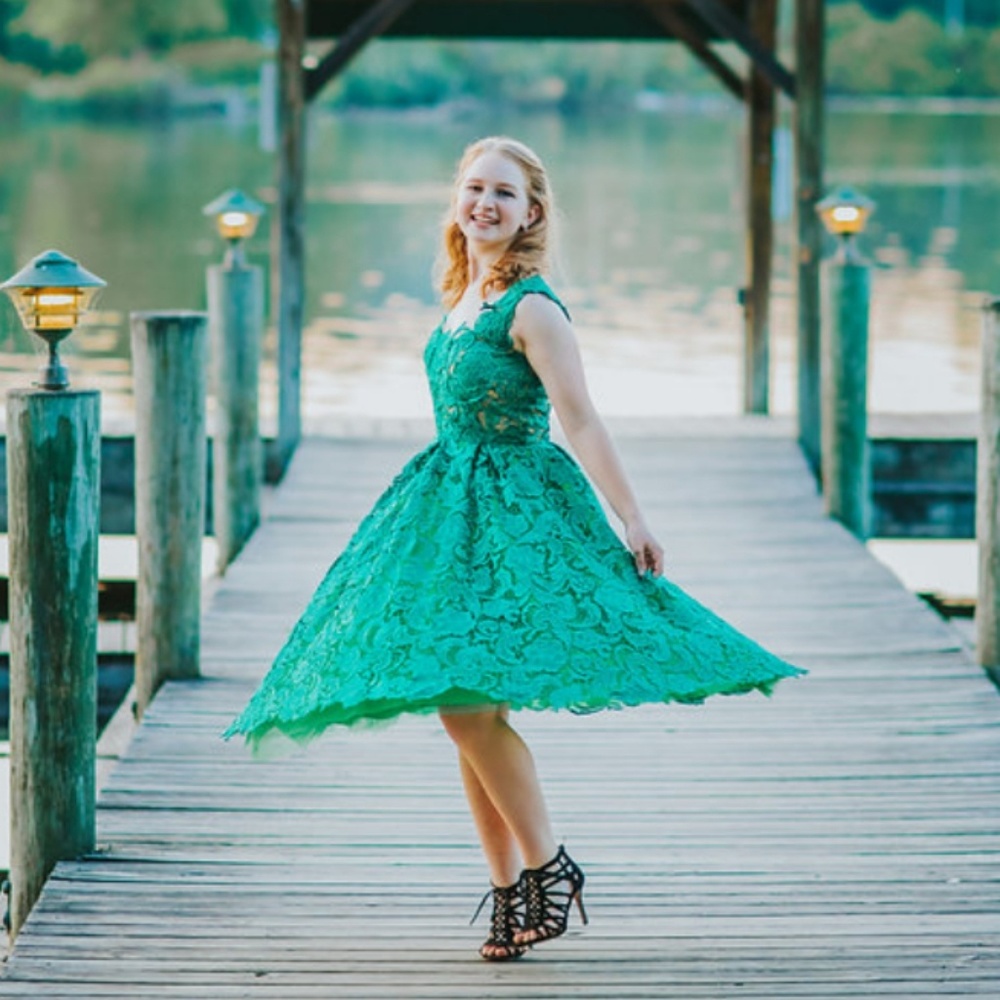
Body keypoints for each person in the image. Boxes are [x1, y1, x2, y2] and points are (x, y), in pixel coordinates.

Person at [224, 136, 805, 962]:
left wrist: (633, 517)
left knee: (466, 710)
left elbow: (581, 417)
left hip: (515, 515)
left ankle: (550, 868)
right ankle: (508, 898)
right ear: (457, 201)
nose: (484, 203)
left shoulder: (532, 308)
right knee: (468, 709)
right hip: (447, 512)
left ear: (531, 212)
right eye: (474, 188)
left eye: (503, 193)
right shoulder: (464, 294)